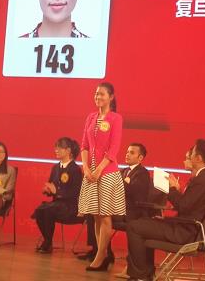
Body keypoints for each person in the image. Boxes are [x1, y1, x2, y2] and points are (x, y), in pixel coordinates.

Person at [125, 139, 205, 281]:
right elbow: (190, 206)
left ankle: (139, 276)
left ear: (198, 158)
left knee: (134, 226)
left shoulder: (203, 180)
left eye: (192, 153)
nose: (189, 156)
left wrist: (171, 188)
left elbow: (182, 205)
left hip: (186, 233)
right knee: (145, 222)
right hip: (191, 228)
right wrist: (167, 218)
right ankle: (146, 273)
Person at [78, 82, 125, 272]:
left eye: (102, 94)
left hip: (107, 173)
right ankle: (102, 254)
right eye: (96, 94)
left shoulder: (116, 118)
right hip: (91, 173)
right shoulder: (91, 117)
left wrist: (99, 170)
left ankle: (100, 256)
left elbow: (114, 149)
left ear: (111, 97)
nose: (98, 97)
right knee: (96, 216)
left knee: (105, 216)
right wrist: (86, 167)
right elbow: (84, 145)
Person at [80, 142, 151, 265]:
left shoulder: (143, 173)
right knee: (94, 213)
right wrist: (122, 184)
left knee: (104, 216)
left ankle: (103, 254)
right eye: (127, 152)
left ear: (140, 158)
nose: (127, 154)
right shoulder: (122, 171)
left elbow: (134, 192)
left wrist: (120, 185)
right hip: (117, 207)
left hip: (131, 212)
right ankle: (101, 251)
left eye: (132, 153)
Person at [31, 137, 83, 253]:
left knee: (48, 210)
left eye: (59, 148)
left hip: (70, 207)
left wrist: (57, 192)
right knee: (40, 210)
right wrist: (48, 190)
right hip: (56, 204)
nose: (56, 150)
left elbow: (75, 192)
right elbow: (52, 186)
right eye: (56, 148)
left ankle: (47, 243)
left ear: (68, 151)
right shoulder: (55, 168)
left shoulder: (75, 169)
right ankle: (48, 241)